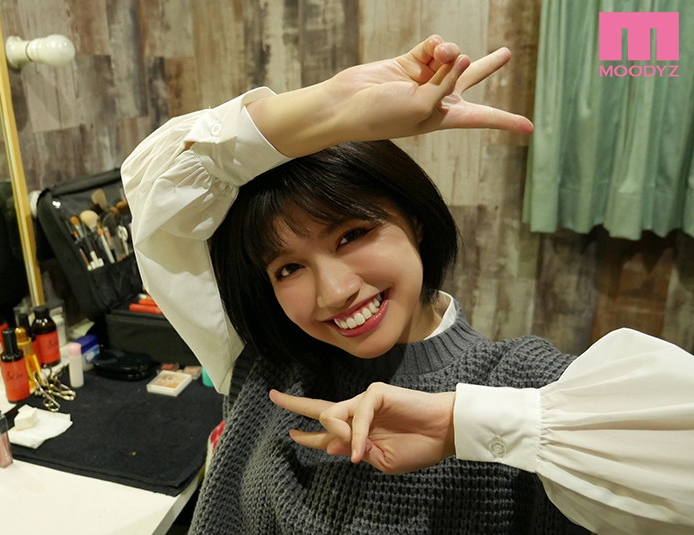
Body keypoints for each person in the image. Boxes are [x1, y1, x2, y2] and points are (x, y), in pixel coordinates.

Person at [122, 35, 694, 534]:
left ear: (415, 221)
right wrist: (338, 104)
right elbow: (158, 183)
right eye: (288, 268)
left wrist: (466, 424)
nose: (334, 292)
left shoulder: (522, 384)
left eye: (352, 235)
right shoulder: (265, 357)